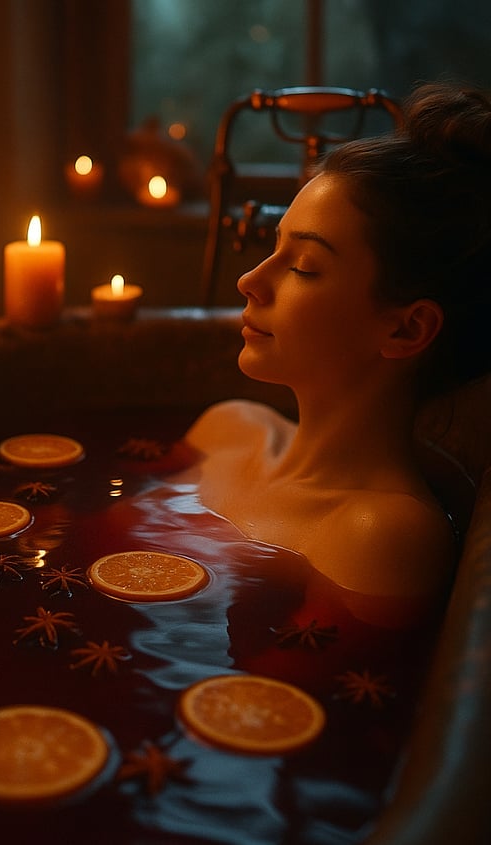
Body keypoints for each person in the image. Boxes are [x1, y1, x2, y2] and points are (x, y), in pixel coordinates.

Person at [184, 83, 491, 626]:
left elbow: (280, 699)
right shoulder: (224, 431)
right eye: (272, 248)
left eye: (303, 266)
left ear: (407, 329)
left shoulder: (380, 536)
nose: (250, 280)